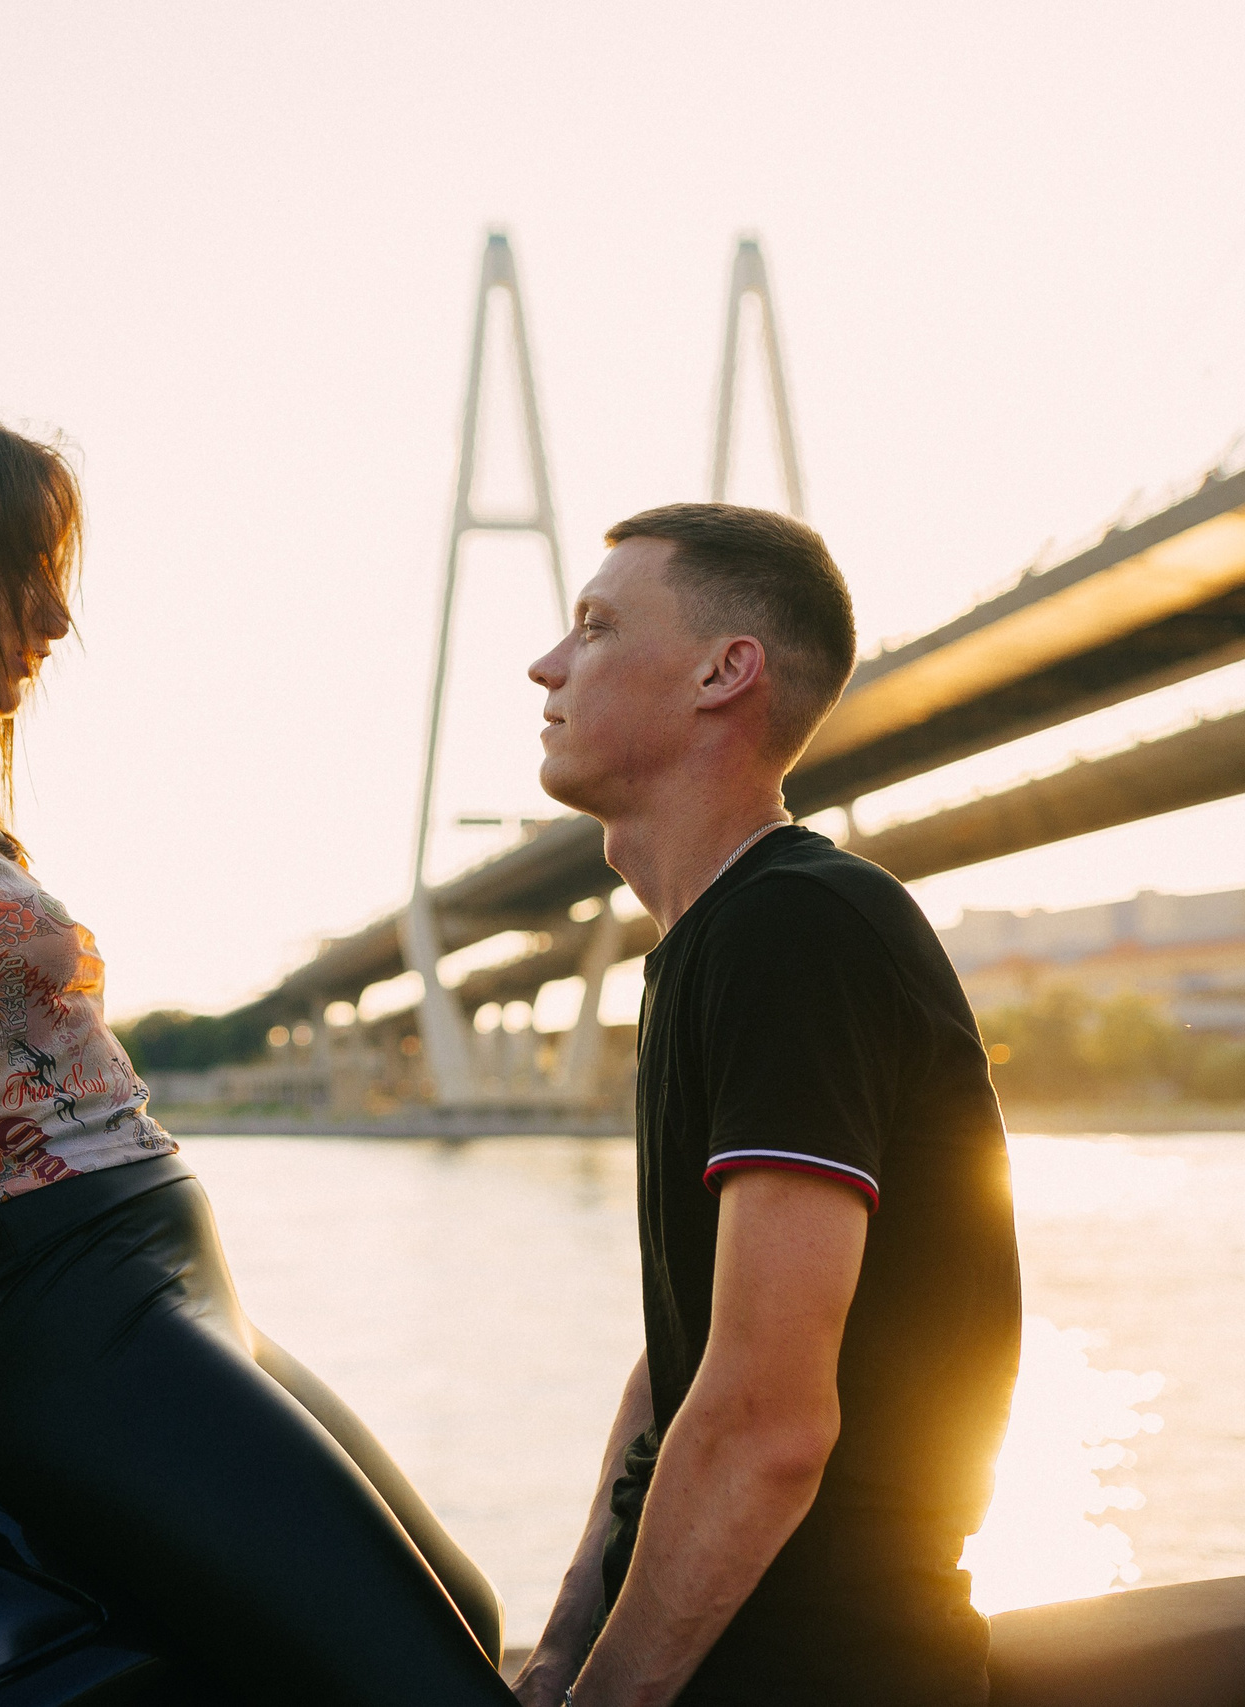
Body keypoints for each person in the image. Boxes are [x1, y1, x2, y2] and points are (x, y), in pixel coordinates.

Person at [0, 398, 516, 1707]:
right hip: (71, 1292)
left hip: (148, 1272)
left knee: (455, 1616)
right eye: (25, 574)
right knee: (417, 1683)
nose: (57, 618)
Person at [509, 504, 1023, 1707]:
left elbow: (763, 1422)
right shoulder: (709, 943)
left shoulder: (797, 930)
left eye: (591, 626)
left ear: (722, 672)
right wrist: (559, 1654)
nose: (545, 665)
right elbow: (686, 1364)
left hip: (824, 1669)